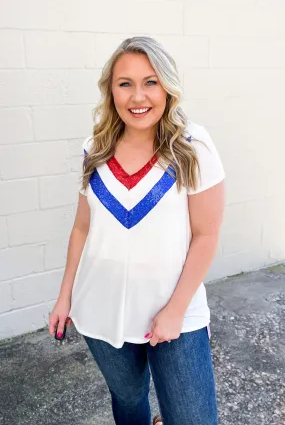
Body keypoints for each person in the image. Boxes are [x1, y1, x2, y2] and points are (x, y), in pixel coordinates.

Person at [49, 36, 225, 425]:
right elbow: (81, 228)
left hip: (174, 314)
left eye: (150, 81)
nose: (137, 96)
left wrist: (175, 311)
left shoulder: (193, 146)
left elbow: (206, 235)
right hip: (100, 308)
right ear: (110, 91)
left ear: (167, 87)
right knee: (128, 401)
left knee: (193, 417)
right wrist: (64, 298)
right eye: (124, 83)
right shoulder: (94, 147)